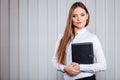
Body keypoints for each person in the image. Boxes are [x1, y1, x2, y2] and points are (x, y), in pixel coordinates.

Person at [52, 1, 107, 80]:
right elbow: (54, 61)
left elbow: (103, 65)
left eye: (82, 15)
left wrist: (80, 67)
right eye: (74, 16)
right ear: (71, 18)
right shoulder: (62, 37)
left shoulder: (92, 38)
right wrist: (65, 68)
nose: (79, 19)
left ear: (87, 16)